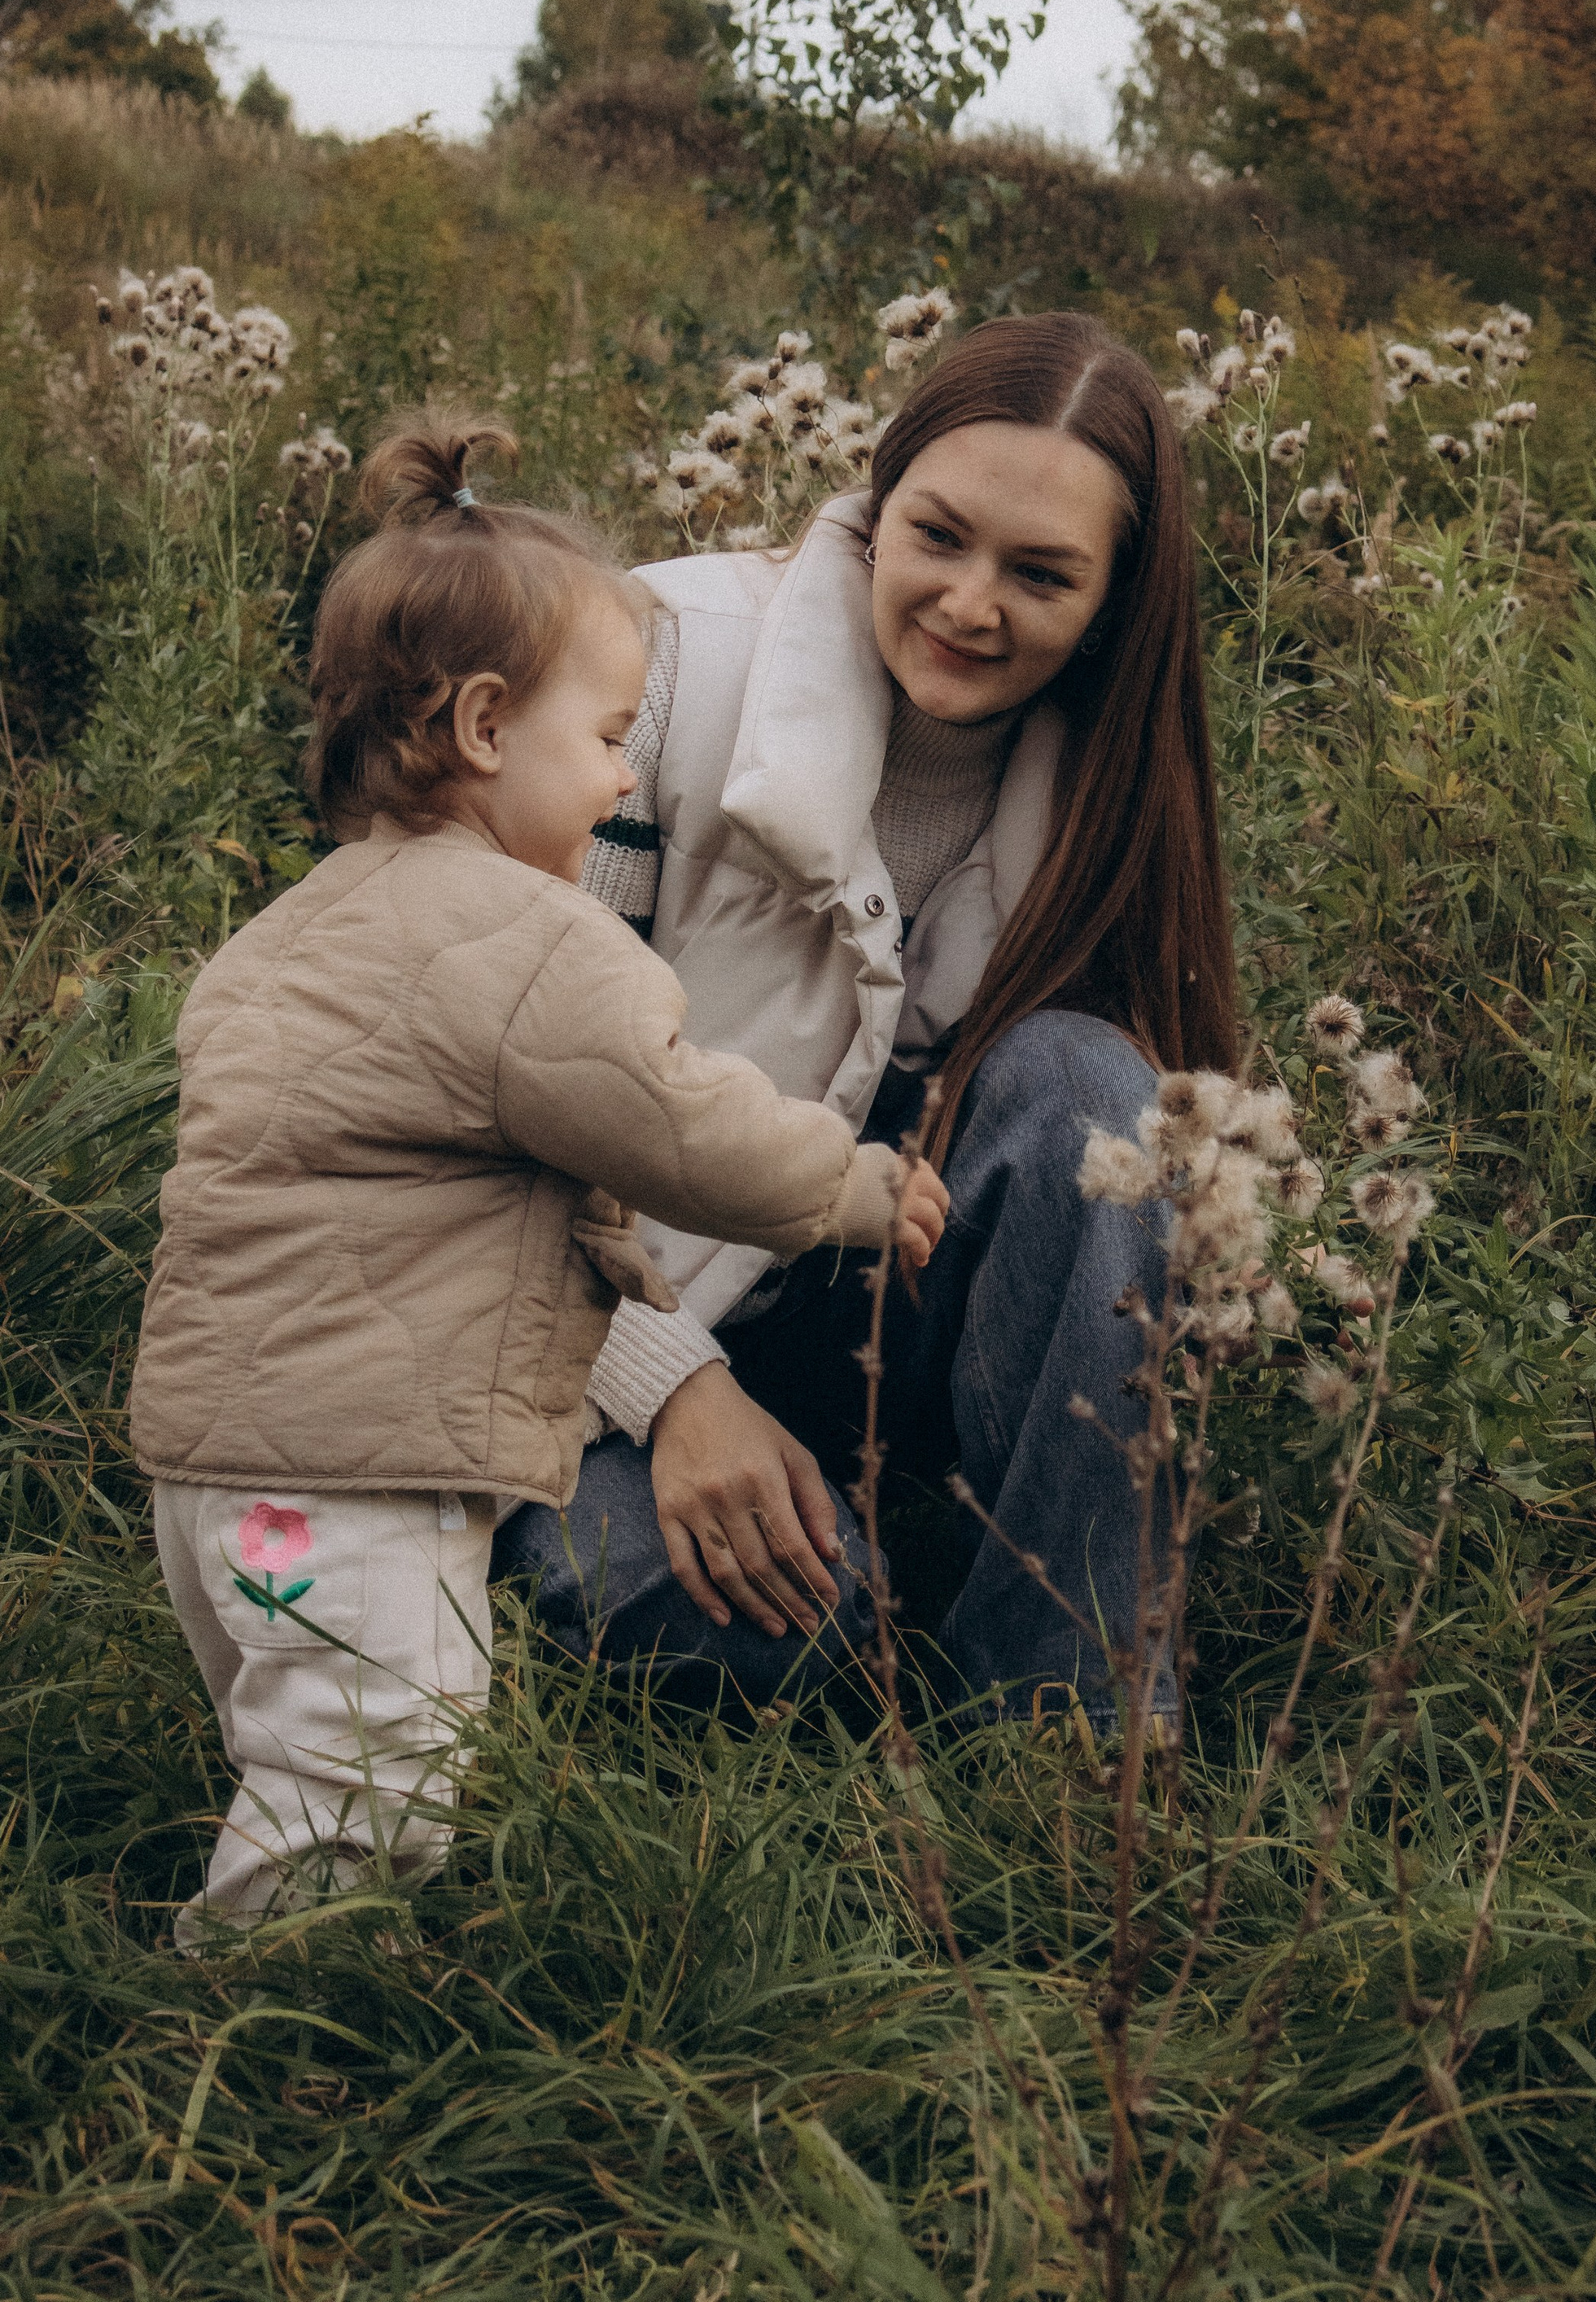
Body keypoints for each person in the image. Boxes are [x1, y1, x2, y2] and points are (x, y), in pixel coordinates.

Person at [133, 415, 946, 1937]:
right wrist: (850, 1183)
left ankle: (262, 1928)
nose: (619, 776)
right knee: (373, 1776)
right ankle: (246, 2038)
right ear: (489, 730)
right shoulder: (528, 939)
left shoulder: (278, 942)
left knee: (297, 1745)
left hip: (212, 1475)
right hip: (360, 1477)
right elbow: (674, 1120)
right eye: (608, 738)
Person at [496, 312, 1240, 1726]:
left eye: (1041, 575)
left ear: (1112, 604)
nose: (971, 604)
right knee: (770, 1629)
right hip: (577, 1307)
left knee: (1095, 1081)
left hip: (857, 1292)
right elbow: (489, 1097)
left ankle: (1069, 1727)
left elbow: (1072, 1211)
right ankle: (831, 1574)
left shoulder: (1112, 778)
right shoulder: (652, 666)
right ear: (873, 502)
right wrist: (674, 1392)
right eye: (939, 536)